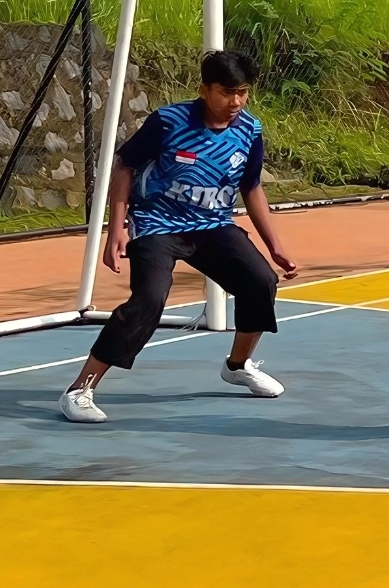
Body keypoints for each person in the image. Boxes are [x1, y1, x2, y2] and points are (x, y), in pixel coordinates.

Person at [60, 50, 299, 424]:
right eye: (226, 92)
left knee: (260, 282)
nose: (235, 102)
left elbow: (251, 187)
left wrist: (276, 246)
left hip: (213, 225)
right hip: (157, 223)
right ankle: (80, 389)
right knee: (149, 299)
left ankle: (236, 366)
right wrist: (117, 228)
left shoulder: (249, 130)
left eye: (243, 92)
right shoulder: (168, 123)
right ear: (204, 90)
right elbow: (125, 167)